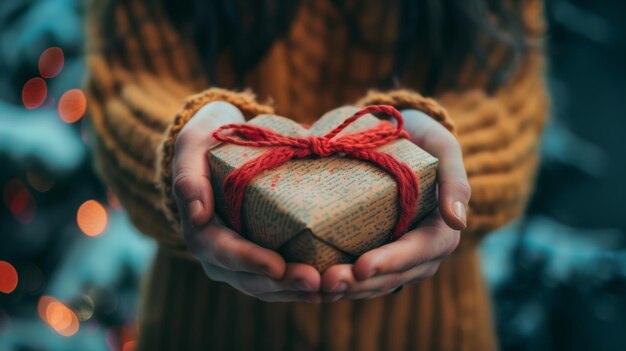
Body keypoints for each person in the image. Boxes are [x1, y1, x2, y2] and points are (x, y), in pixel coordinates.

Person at [86, 0, 548, 349]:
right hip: (207, 328)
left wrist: (442, 162)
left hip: (430, 329)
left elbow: (508, 108)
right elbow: (129, 86)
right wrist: (184, 147)